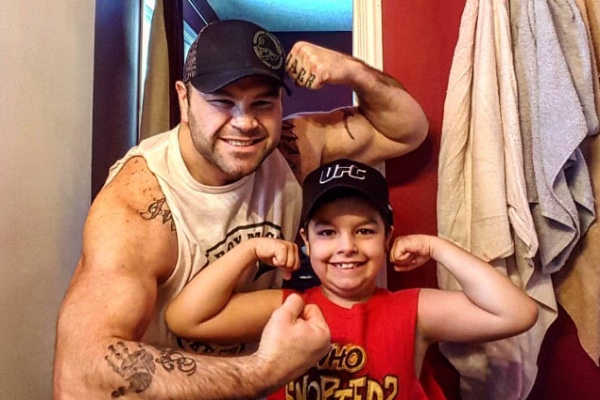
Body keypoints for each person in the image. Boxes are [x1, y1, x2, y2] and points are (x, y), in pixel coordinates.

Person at [52, 18, 429, 400]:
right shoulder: (139, 205)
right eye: (222, 101)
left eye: (262, 103)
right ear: (183, 99)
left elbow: (406, 130)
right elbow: (79, 375)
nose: (245, 122)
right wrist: (264, 370)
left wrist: (352, 71)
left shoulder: (291, 151)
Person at [165, 158, 540, 400]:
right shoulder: (288, 309)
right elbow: (185, 318)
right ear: (306, 242)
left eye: (364, 231)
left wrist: (437, 247)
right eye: (328, 232)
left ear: (387, 238)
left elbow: (516, 313)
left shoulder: (412, 310)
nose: (347, 247)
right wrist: (247, 251)